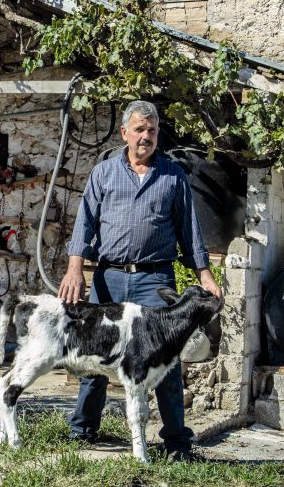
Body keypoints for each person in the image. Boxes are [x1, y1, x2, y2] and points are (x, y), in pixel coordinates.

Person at [58, 99, 222, 461]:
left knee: (167, 363)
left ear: (157, 133)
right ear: (124, 134)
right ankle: (82, 430)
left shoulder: (172, 176)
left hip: (154, 279)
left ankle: (177, 442)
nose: (145, 137)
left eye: (151, 130)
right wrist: (75, 269)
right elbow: (84, 223)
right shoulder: (103, 173)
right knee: (96, 354)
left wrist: (205, 276)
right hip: (110, 278)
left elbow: (190, 232)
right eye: (139, 130)